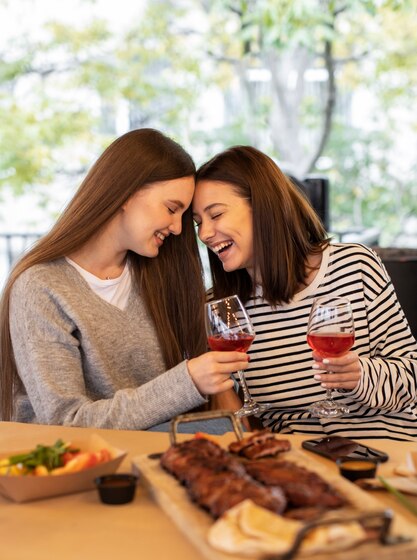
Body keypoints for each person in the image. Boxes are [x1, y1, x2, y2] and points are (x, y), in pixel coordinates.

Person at [0, 129, 249, 430]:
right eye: (171, 209)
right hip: (78, 468)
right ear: (127, 193)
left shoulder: (158, 274)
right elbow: (67, 422)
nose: (177, 229)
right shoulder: (41, 287)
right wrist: (187, 381)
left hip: (158, 458)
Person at [192, 145, 417, 441]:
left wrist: (361, 374)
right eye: (198, 223)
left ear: (263, 206)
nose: (204, 233)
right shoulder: (224, 310)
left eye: (216, 214)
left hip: (383, 451)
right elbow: (238, 416)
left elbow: (411, 378)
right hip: (294, 465)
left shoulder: (355, 266)